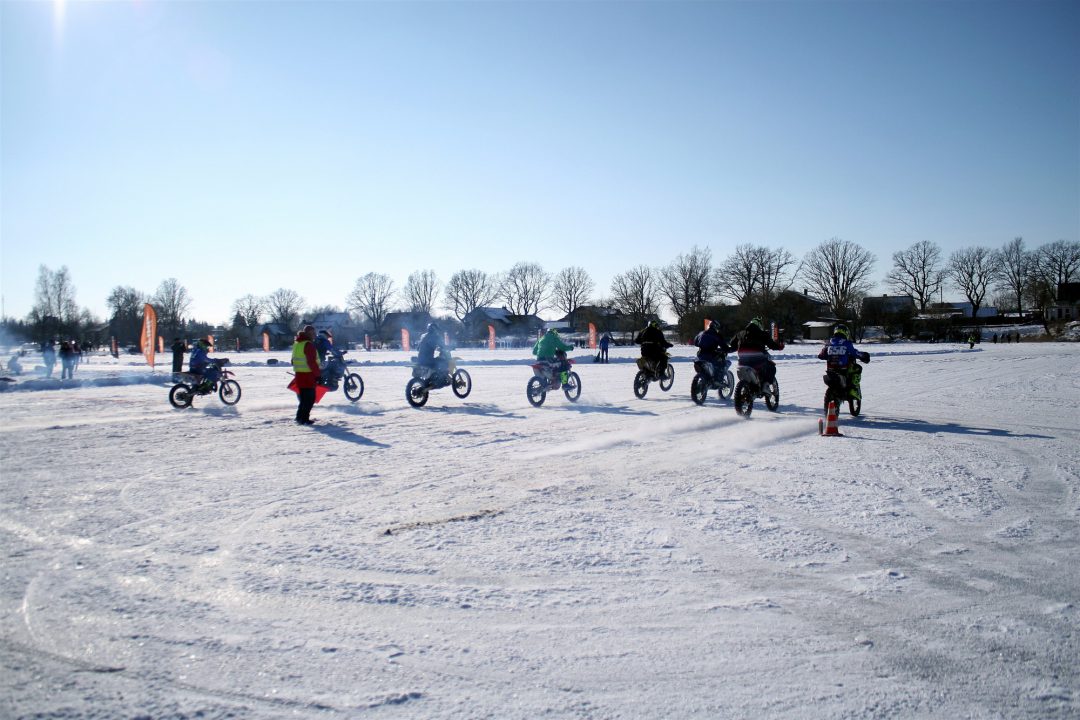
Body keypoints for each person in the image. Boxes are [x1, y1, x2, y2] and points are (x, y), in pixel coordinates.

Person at [818, 324, 870, 399]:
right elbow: (855, 353)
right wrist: (864, 355)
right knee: (858, 368)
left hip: (831, 371)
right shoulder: (846, 343)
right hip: (843, 370)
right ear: (846, 332)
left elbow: (821, 355)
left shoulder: (829, 343)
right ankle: (853, 389)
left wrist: (831, 354)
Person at [730, 317, 784, 387]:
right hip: (757, 358)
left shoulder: (741, 333)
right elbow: (772, 345)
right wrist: (780, 346)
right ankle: (765, 385)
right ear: (759, 325)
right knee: (771, 366)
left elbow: (732, 343)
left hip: (742, 359)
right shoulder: (762, 334)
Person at [291, 325, 321, 425]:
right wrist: (318, 375)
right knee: (310, 399)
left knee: (304, 399)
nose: (315, 334)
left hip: (299, 375)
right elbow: (311, 362)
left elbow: (292, 360)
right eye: (313, 333)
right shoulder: (308, 345)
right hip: (308, 375)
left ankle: (299, 417)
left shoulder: (297, 344)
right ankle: (304, 419)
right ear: (308, 334)